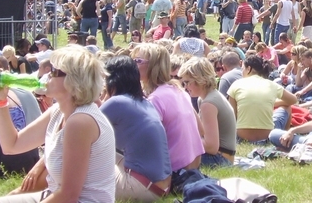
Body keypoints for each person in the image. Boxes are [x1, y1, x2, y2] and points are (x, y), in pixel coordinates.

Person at [0, 45, 115, 202]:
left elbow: (68, 195)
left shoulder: (81, 122)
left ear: (73, 80)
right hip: (54, 195)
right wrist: (1, 101)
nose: (46, 75)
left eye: (53, 71)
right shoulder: (58, 111)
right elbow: (11, 145)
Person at [101, 55, 172, 201]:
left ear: (112, 79)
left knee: (85, 163)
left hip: (141, 188)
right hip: (162, 186)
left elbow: (86, 129)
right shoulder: (145, 102)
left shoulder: (117, 102)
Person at [131, 43, 204, 174]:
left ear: (152, 66)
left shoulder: (155, 99)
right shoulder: (178, 90)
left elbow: (144, 143)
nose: (133, 65)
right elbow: (201, 130)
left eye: (138, 61)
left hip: (173, 172)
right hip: (193, 166)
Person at [178, 57, 237, 167]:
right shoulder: (207, 98)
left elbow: (211, 147)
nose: (185, 87)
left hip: (221, 159)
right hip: (224, 156)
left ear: (202, 81)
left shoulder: (208, 104)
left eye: (187, 82)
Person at [227, 55, 297, 142]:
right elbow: (293, 100)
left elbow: (232, 115)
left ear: (249, 69)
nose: (242, 72)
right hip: (267, 135)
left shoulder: (236, 84)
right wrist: (275, 103)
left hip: (242, 135)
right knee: (287, 107)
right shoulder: (271, 84)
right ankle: (284, 136)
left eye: (243, 69)